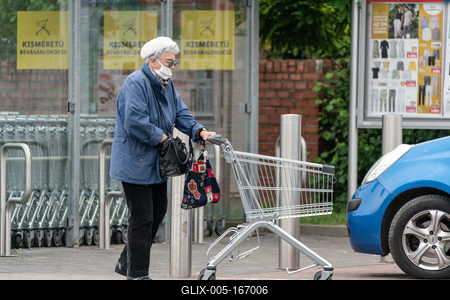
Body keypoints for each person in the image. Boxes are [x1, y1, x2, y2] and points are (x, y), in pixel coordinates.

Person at [109, 36, 216, 280]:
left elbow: (180, 112)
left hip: (156, 163)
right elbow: (135, 121)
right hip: (134, 162)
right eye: (170, 62)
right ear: (153, 61)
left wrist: (198, 130)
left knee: (158, 212)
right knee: (143, 217)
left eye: (174, 62)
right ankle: (137, 274)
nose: (173, 67)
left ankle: (126, 261)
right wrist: (164, 139)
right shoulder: (135, 82)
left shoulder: (165, 84)